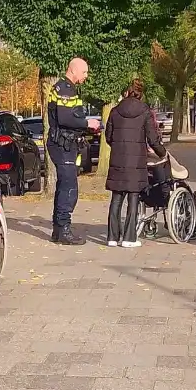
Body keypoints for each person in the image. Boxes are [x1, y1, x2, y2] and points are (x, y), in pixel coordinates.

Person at [104, 78, 167, 248]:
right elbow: (153, 139)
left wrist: (118, 146)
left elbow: (108, 136)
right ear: (141, 93)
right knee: (133, 197)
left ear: (126, 91)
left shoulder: (115, 111)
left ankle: (112, 237)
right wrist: (163, 153)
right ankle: (129, 238)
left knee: (116, 198)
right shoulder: (145, 111)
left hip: (118, 159)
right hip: (136, 160)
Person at [46, 58, 100, 245]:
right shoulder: (65, 90)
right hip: (63, 145)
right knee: (69, 188)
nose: (86, 76)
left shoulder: (63, 88)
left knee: (64, 186)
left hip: (64, 144)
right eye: (84, 72)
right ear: (74, 70)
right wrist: (88, 123)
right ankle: (64, 230)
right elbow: (66, 118)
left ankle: (58, 230)